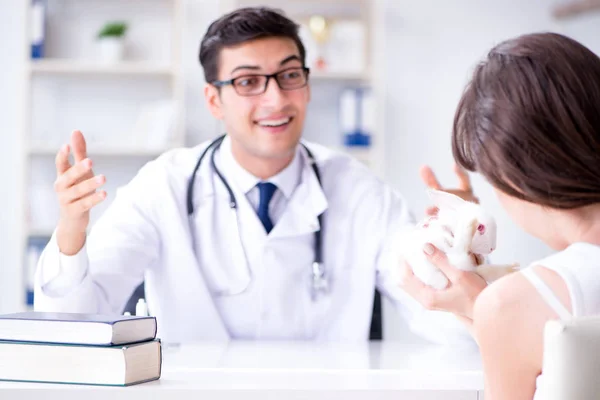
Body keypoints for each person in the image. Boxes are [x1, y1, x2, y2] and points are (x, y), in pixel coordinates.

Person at [34, 7, 477, 343]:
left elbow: (439, 319)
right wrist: (72, 232)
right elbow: (75, 321)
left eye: (288, 76)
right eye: (248, 81)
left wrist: (454, 245)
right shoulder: (164, 186)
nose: (275, 99)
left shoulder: (359, 189)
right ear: (213, 100)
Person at [400, 32, 600, 399]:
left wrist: (489, 312)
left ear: (513, 174)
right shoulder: (517, 306)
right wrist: (487, 317)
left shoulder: (515, 303)